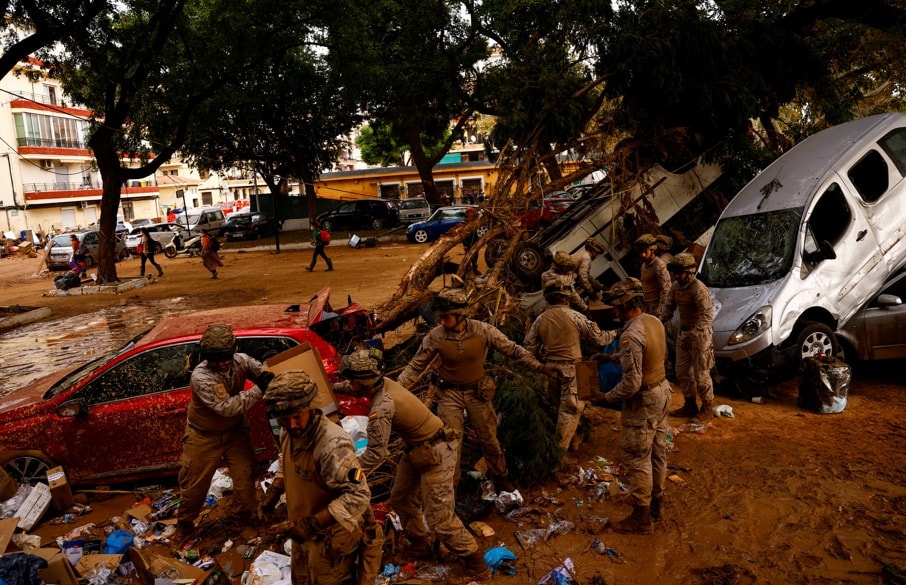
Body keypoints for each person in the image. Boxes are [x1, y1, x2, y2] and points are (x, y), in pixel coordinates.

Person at [334, 349, 489, 578]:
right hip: (418, 449)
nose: (349, 383)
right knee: (401, 499)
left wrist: (349, 474)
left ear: (363, 381)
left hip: (437, 451)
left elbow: (376, 455)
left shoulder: (382, 407)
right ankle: (420, 547)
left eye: (352, 379)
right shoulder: (382, 382)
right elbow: (352, 388)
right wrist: (331, 389)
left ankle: (476, 564)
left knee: (439, 518)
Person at [396, 288, 557, 492]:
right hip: (449, 395)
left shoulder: (483, 331)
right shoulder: (435, 337)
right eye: (441, 317)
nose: (442, 321)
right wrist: (393, 390)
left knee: (489, 439)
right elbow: (414, 367)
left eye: (447, 317)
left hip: (477, 393)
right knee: (450, 446)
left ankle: (501, 479)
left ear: (461, 315)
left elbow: (513, 350)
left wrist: (540, 367)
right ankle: (450, 492)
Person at [259, 370, 373, 585]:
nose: (292, 424)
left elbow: (358, 495)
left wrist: (311, 525)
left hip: (330, 542)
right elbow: (289, 462)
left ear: (311, 409)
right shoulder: (289, 433)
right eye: (285, 419)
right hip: (302, 536)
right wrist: (273, 493)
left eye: (297, 417)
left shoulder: (333, 445)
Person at [171, 323, 275, 546]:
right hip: (203, 436)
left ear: (233, 351)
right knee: (194, 486)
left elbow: (264, 373)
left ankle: (243, 521)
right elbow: (227, 407)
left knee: (245, 478)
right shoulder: (201, 377)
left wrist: (270, 368)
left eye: (224, 357)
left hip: (236, 431)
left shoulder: (242, 361)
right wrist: (260, 388)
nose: (220, 363)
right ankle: (184, 525)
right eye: (214, 359)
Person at [600, 278, 671, 534]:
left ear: (626, 305)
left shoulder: (630, 335)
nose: (613, 311)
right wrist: (611, 357)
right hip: (662, 391)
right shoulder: (653, 321)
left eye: (616, 307)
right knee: (657, 452)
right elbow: (648, 354)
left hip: (643, 400)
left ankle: (641, 519)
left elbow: (631, 384)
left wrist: (605, 398)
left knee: (637, 456)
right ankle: (656, 506)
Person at [524, 282, 618, 451]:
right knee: (571, 410)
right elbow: (600, 339)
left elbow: (529, 347)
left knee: (557, 407)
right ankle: (558, 454)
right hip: (575, 368)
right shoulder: (576, 317)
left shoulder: (540, 320)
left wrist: (541, 362)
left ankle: (572, 441)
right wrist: (616, 332)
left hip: (550, 369)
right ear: (566, 298)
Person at [659, 252, 715, 422]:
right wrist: (656, 322)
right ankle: (690, 404)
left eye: (680, 272)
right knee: (682, 372)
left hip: (700, 337)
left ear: (690, 272)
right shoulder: (676, 287)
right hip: (683, 334)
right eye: (675, 272)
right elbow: (668, 308)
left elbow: (708, 314)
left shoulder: (699, 289)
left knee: (701, 375)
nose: (676, 276)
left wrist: (695, 333)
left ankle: (707, 407)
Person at [635, 234, 670, 317]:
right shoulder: (644, 266)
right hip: (646, 308)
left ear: (652, 250)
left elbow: (667, 290)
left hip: (656, 309)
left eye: (645, 252)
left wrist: (661, 311)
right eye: (640, 252)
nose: (642, 255)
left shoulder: (659, 265)